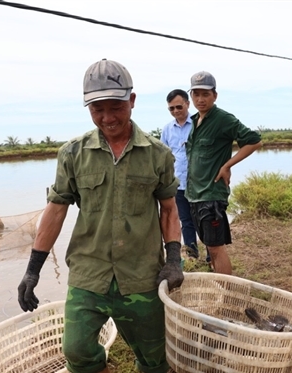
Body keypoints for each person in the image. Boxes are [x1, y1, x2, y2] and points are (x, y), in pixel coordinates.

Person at [16, 59, 182, 373]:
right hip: (89, 275)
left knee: (155, 360)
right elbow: (55, 210)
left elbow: (169, 209)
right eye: (97, 109)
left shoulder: (158, 154)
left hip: (142, 275)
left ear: (132, 101)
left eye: (115, 107)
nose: (107, 118)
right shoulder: (73, 154)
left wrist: (173, 258)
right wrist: (33, 269)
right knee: (76, 350)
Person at [185, 71, 262, 275]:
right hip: (195, 195)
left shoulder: (223, 119)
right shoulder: (194, 121)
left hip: (211, 196)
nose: (200, 99)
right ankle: (220, 287)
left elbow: (254, 140)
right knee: (210, 246)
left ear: (215, 96)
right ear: (191, 96)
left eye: (206, 94)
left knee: (217, 249)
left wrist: (227, 165)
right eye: (196, 94)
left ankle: (227, 295)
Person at [160, 89, 200, 261]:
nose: (176, 111)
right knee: (185, 220)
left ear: (187, 104)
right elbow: (163, 156)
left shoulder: (199, 123)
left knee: (202, 219)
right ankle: (192, 255)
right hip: (178, 183)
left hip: (199, 183)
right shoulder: (167, 130)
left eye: (179, 107)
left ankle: (211, 256)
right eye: (171, 108)